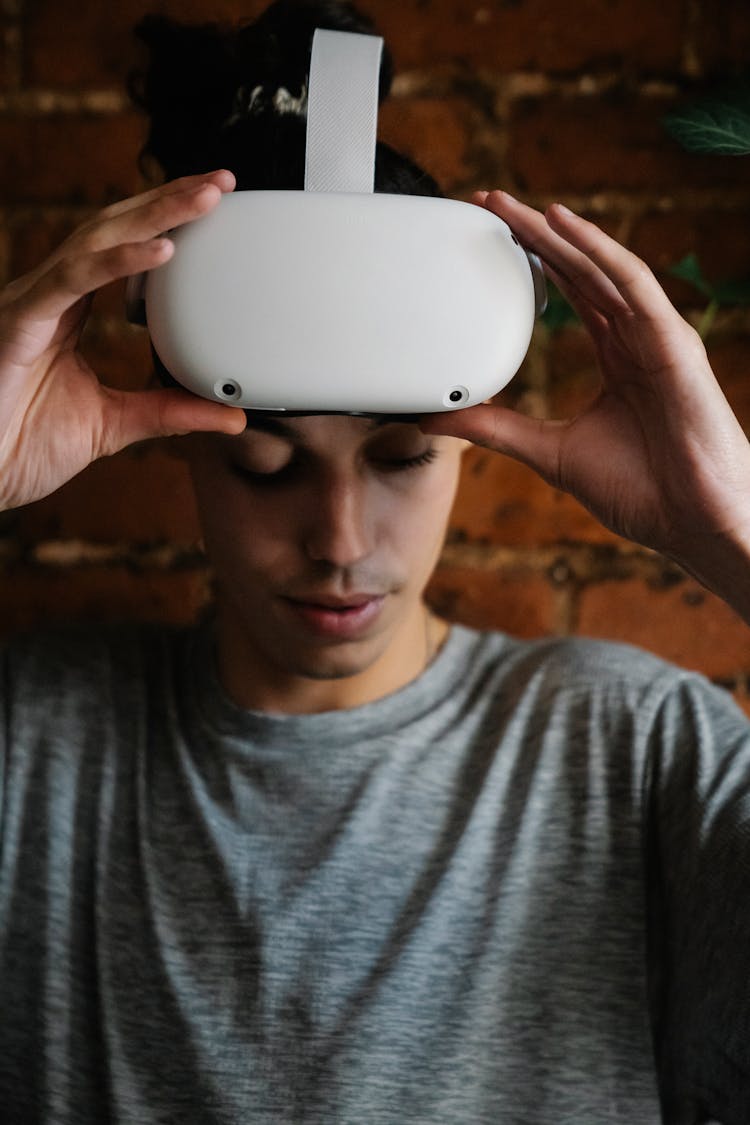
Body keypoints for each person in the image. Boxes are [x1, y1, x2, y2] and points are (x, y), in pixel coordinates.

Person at [0, 2, 748, 1122]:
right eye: (264, 469)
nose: (340, 541)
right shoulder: (35, 746)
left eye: (401, 460)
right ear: (180, 452)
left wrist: (734, 539)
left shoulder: (639, 750)